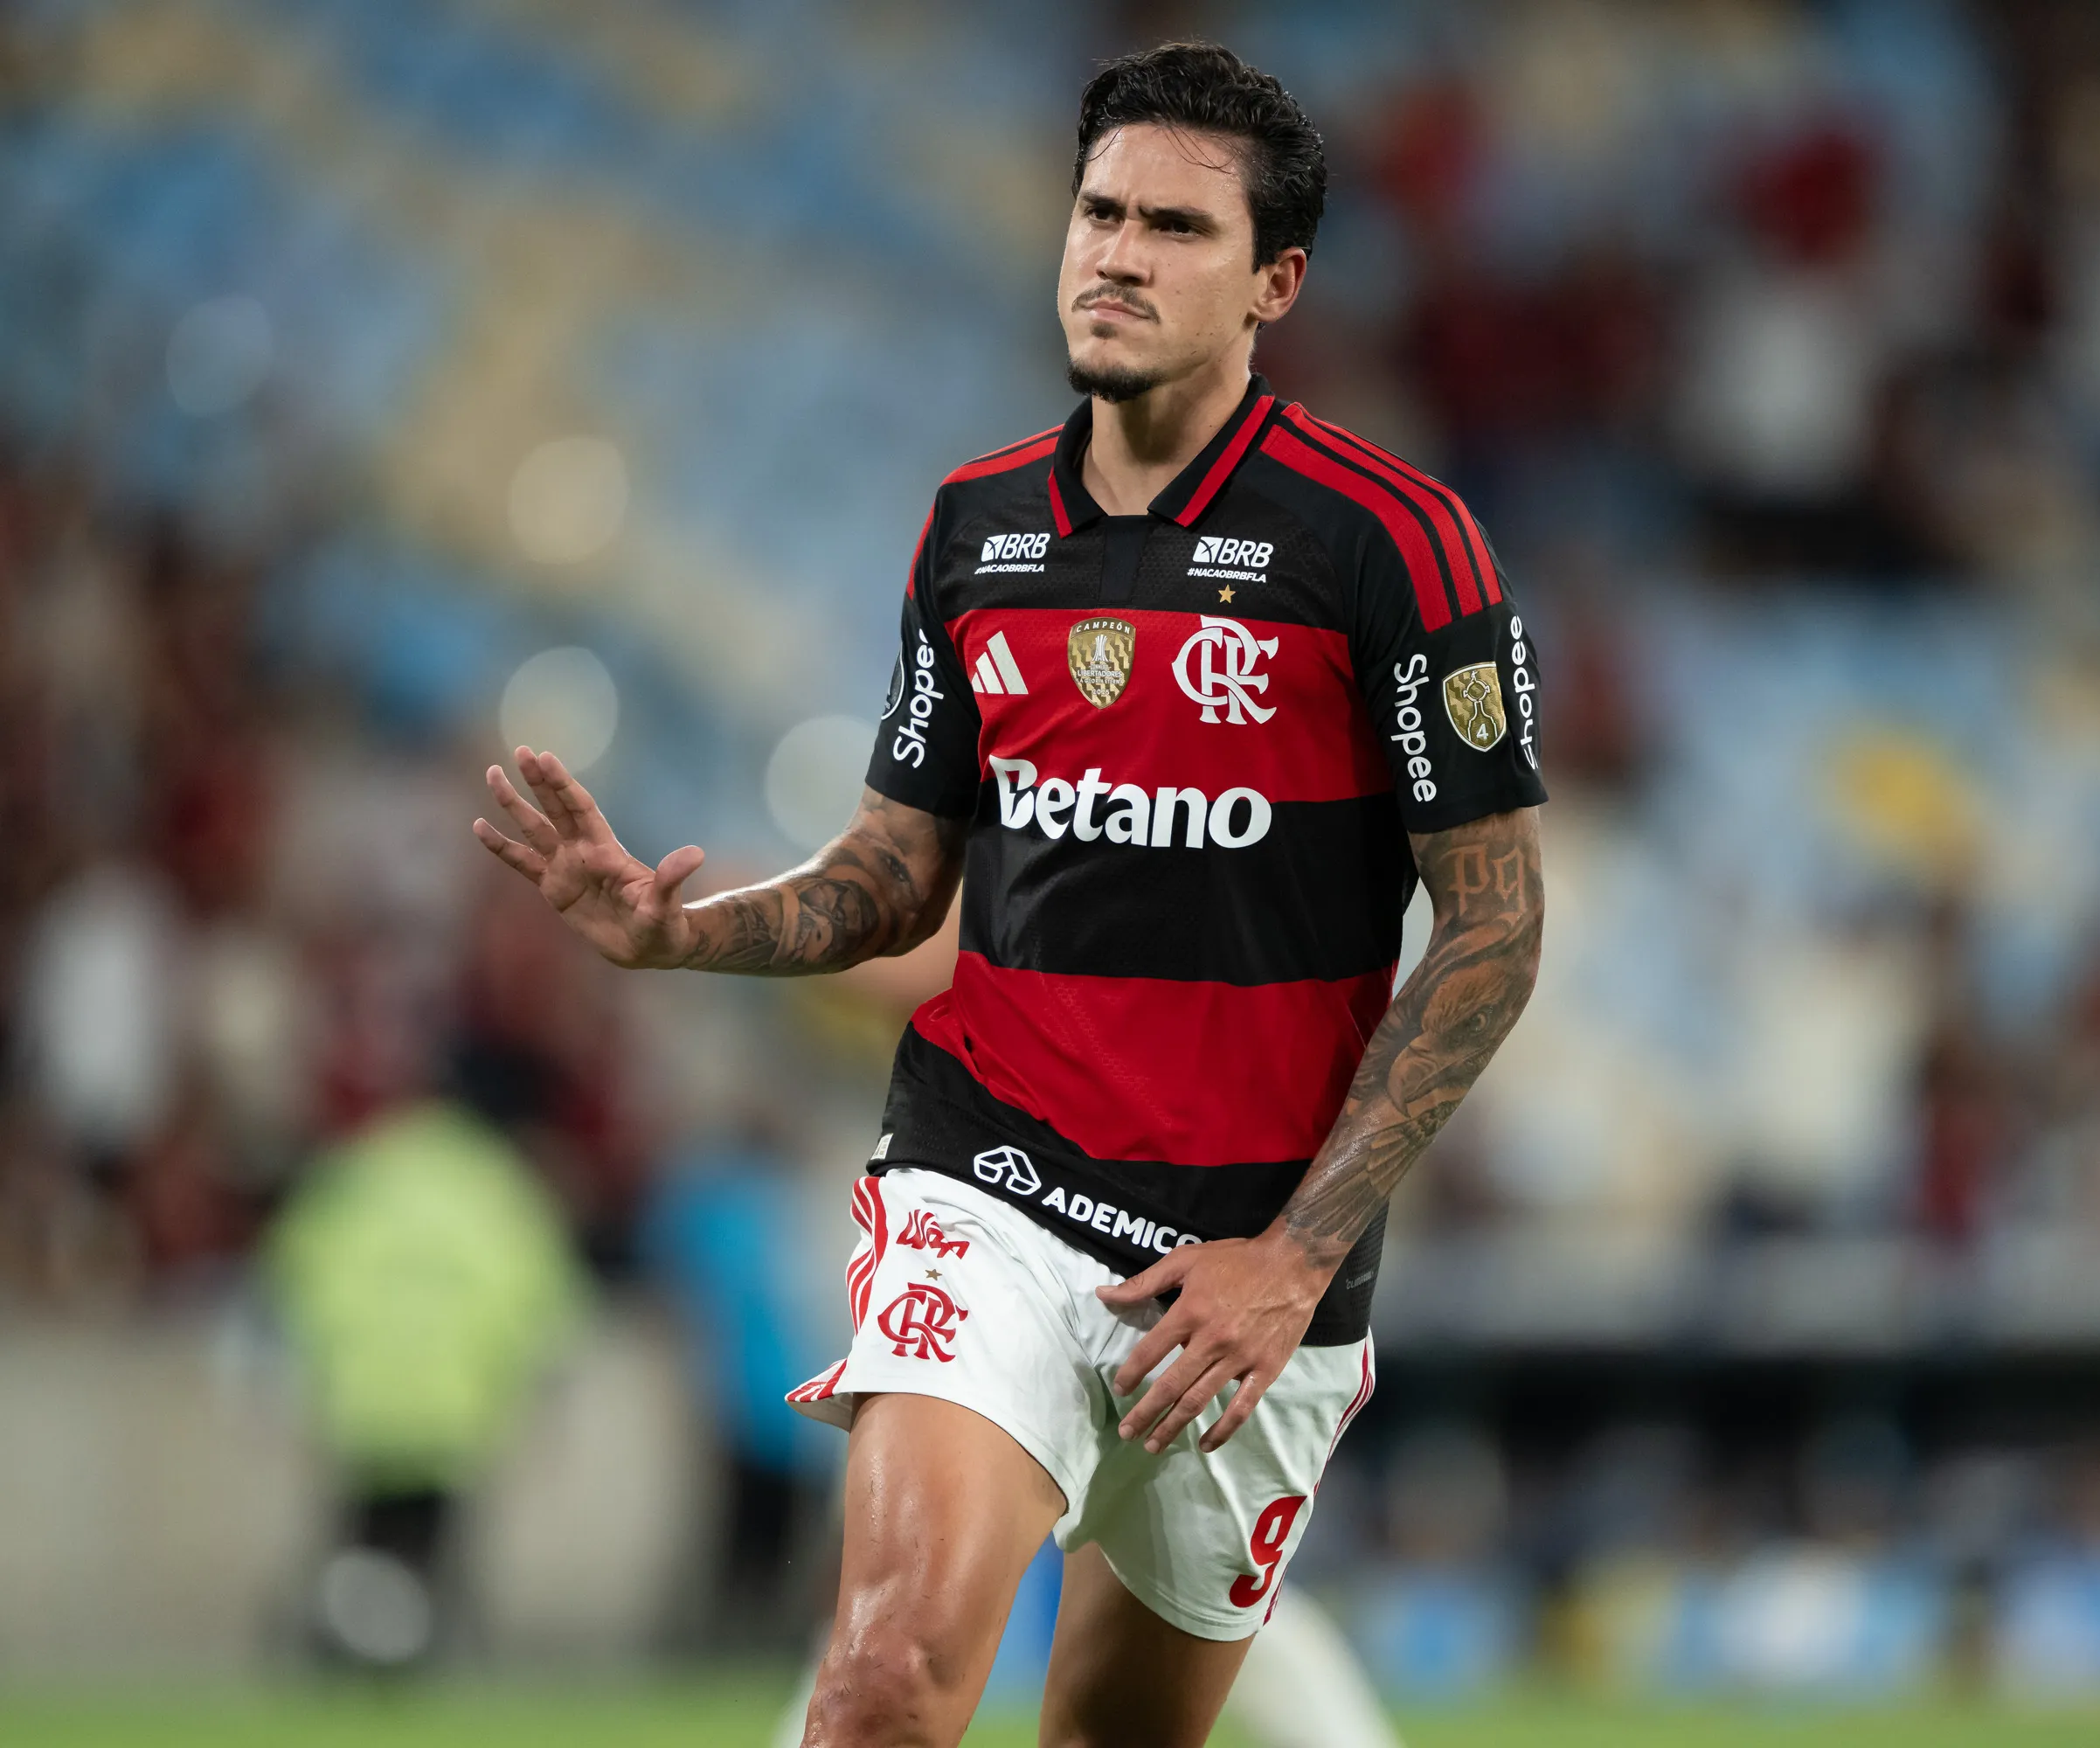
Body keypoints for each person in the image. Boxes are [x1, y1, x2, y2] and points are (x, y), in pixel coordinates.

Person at [473, 41, 1544, 1747]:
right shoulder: (976, 529)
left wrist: (1292, 1258)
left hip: (1248, 1262)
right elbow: (897, 877)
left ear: (1275, 283)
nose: (1116, 253)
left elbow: (1495, 924)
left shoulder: (1391, 546)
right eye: (1098, 213)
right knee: (883, 1681)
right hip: (993, 1179)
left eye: (1175, 228)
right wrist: (685, 932)